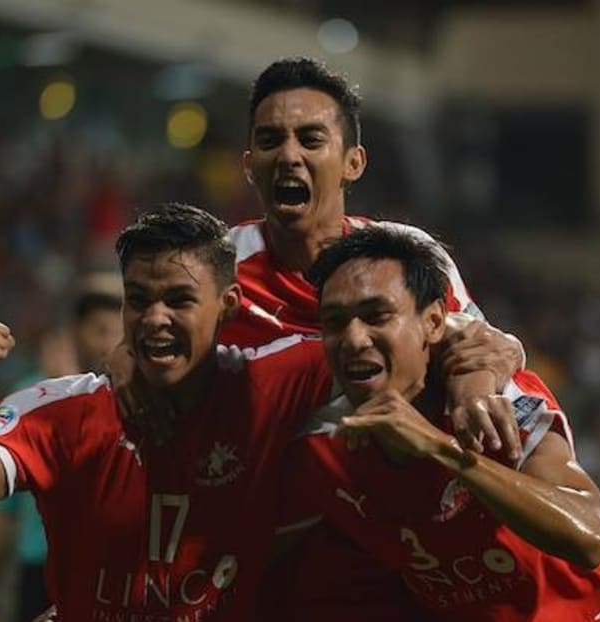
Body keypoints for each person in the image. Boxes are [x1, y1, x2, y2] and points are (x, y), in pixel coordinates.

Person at [0, 203, 343, 621]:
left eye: (179, 300)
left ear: (228, 308)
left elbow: (391, 341)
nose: (154, 318)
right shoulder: (60, 415)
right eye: (139, 300)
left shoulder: (269, 384)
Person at [223, 56, 529, 617]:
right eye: (270, 140)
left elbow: (475, 348)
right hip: (270, 562)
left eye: (310, 138)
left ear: (352, 162)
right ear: (250, 163)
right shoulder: (214, 272)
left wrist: (487, 372)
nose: (288, 154)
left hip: (401, 565)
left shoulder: (404, 254)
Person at [276, 226, 600, 621]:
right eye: (335, 322)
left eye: (377, 316)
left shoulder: (495, 401)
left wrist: (443, 449)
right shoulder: (326, 449)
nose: (354, 339)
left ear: (434, 322)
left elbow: (590, 537)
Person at [0, 273, 124, 622]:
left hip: (108, 570)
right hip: (39, 569)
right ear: (74, 331)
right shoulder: (31, 400)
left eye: (116, 330)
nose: (108, 343)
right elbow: (3, 516)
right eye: (99, 330)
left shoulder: (135, 400)